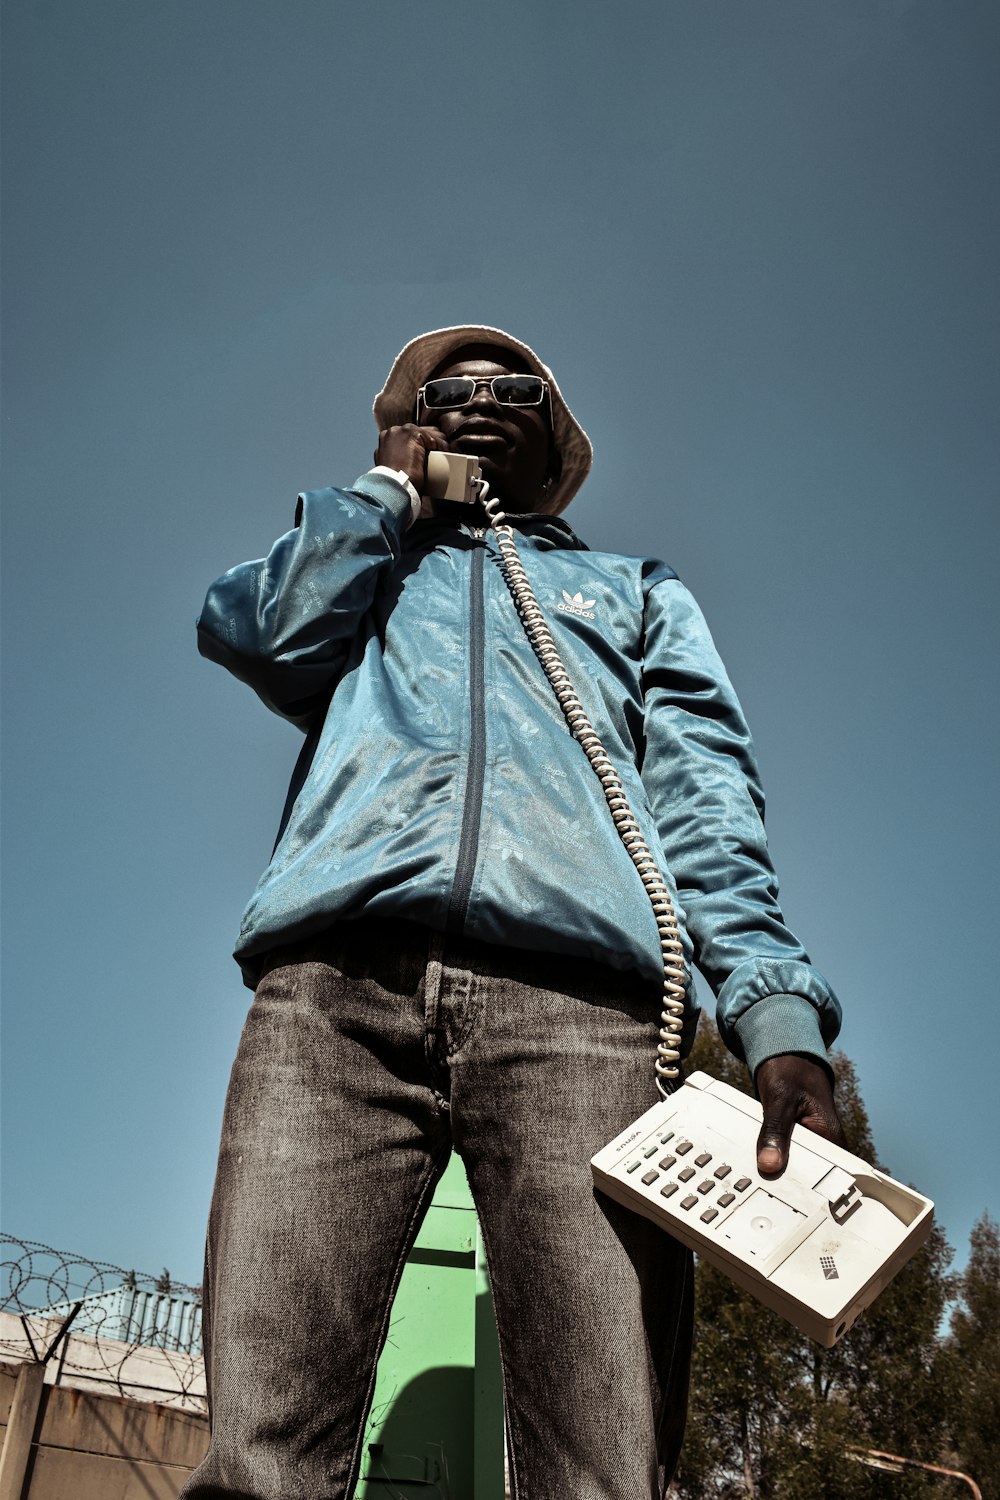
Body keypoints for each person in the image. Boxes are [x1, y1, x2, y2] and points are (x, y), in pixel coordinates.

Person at [182, 325, 846, 1500]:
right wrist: (384, 493)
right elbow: (257, 632)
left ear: (554, 438)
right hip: (332, 995)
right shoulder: (364, 559)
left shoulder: (635, 590)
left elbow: (706, 800)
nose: (481, 400)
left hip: (580, 1015)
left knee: (600, 1457)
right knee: (261, 1453)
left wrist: (776, 1015)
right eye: (450, 390)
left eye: (514, 389)